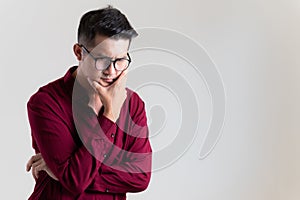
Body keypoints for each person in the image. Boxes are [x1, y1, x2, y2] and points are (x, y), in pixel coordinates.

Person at [26, 6, 152, 200]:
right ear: (79, 52)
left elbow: (141, 177)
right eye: (102, 59)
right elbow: (75, 181)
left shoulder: (133, 104)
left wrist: (63, 173)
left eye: (120, 60)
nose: (112, 71)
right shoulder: (45, 103)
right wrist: (110, 115)